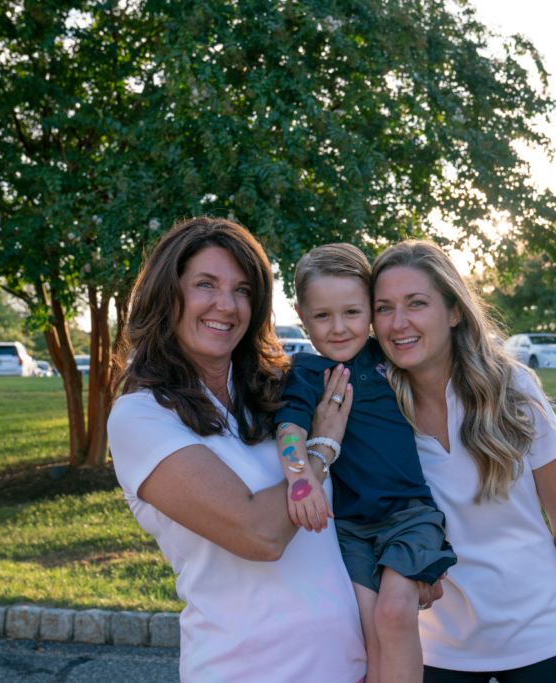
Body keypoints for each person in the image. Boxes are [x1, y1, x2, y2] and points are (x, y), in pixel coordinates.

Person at [107, 218, 369, 682]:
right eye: (205, 285)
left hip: (348, 666)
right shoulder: (141, 417)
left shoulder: (277, 392)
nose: (226, 306)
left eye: (243, 290)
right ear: (168, 294)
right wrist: (322, 447)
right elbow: (260, 534)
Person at [371, 240, 556, 683]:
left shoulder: (513, 387)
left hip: (543, 632)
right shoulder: (377, 409)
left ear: (454, 312)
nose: (399, 323)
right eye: (384, 308)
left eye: (417, 304)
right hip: (439, 645)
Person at [275, 244, 457, 683]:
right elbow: (289, 430)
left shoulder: (388, 357)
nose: (339, 329)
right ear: (301, 314)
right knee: (370, 635)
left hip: (409, 516)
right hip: (351, 530)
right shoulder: (304, 372)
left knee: (395, 614)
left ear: (371, 311)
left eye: (353, 313)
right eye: (322, 316)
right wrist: (301, 482)